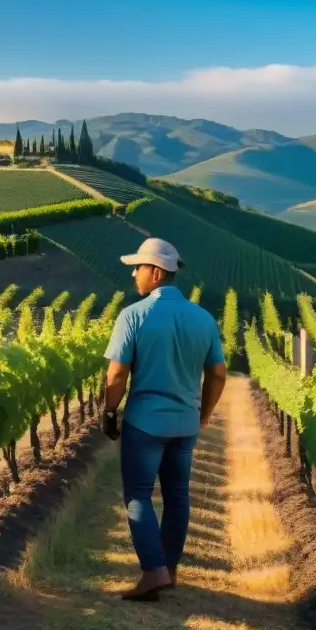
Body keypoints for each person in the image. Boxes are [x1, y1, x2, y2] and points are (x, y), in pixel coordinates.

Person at [101, 237, 228, 601]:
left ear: (156, 272)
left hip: (145, 422)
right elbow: (218, 374)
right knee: (176, 495)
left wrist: (110, 411)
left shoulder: (134, 315)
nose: (133, 274)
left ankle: (153, 571)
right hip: (185, 424)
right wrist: (202, 414)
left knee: (138, 495)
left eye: (138, 267)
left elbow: (116, 375)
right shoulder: (203, 318)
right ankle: (169, 569)